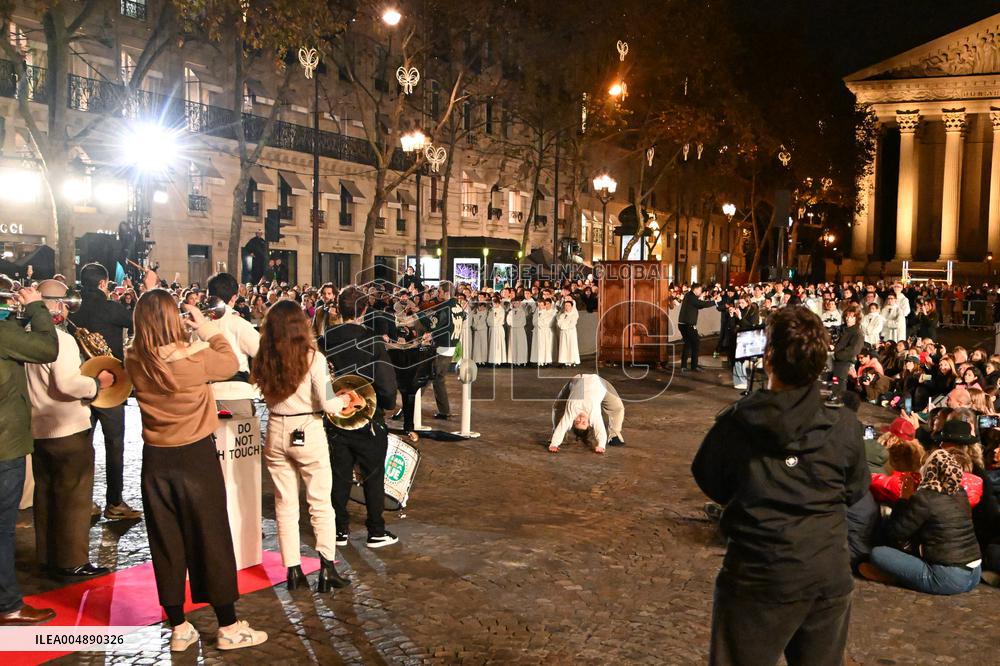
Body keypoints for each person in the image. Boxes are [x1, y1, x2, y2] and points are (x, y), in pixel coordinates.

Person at [692, 306, 868, 666]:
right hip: (825, 569)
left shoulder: (737, 424)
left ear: (768, 359)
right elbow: (855, 488)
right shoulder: (844, 425)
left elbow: (711, 479)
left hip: (760, 572)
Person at [125, 285, 267, 652]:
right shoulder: (192, 359)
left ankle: (179, 626)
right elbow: (230, 361)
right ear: (173, 318)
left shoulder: (134, 359)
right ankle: (229, 625)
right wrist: (203, 327)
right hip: (195, 458)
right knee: (211, 538)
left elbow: (157, 351)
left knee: (166, 543)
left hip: (156, 460)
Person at [253, 301, 353, 592]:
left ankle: (293, 569)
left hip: (275, 428)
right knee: (320, 502)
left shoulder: (264, 356)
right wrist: (344, 400)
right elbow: (328, 403)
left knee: (285, 503)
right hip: (307, 428)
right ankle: (326, 568)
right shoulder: (313, 358)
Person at [25, 280, 114, 581]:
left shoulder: (24, 335)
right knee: (74, 498)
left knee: (46, 494)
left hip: (38, 427)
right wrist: (98, 383)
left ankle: (48, 556)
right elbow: (66, 384)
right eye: (63, 302)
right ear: (56, 304)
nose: (66, 307)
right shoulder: (60, 340)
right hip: (67, 426)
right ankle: (73, 561)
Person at [322, 286, 399, 549]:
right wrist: (388, 403)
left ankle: (338, 529)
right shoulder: (372, 341)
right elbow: (386, 381)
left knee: (338, 474)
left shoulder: (325, 340)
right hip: (367, 416)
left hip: (335, 417)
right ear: (364, 310)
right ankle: (376, 530)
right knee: (373, 474)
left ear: (338, 309)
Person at [0, 284, 58, 626]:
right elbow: (46, 347)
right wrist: (36, 307)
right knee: (3, 528)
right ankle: (8, 604)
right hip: (4, 445)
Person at [70, 263, 141, 520]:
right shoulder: (111, 307)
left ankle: (83, 502)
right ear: (103, 284)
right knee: (114, 445)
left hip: (80, 384)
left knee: (82, 446)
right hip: (110, 384)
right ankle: (114, 502)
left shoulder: (73, 310)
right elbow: (136, 318)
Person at [860, 449, 982, 595]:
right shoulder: (960, 492)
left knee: (878, 553)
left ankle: (896, 577)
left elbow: (895, 532)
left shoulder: (925, 497)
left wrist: (904, 499)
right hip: (974, 574)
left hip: (949, 578)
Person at [205, 273, 260, 416]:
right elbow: (262, 352)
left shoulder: (198, 324)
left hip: (206, 395)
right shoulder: (239, 323)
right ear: (234, 297)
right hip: (236, 394)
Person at [548, 374, 625, 454]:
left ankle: (557, 437)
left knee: (557, 407)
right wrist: (601, 446)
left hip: (577, 379)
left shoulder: (571, 413)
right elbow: (600, 431)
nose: (581, 419)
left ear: (572, 421)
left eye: (577, 422)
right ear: (589, 424)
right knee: (617, 408)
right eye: (583, 422)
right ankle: (615, 436)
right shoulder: (593, 416)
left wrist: (554, 444)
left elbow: (562, 427)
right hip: (599, 382)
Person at [428, 282, 455, 420]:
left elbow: (440, 326)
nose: (438, 294)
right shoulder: (458, 306)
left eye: (439, 292)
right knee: (437, 378)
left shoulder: (445, 307)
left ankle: (444, 411)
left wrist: (430, 334)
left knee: (434, 377)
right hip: (452, 345)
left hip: (442, 345)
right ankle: (444, 410)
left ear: (446, 292)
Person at [677, 283, 717, 372]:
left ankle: (684, 366)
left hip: (683, 324)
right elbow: (700, 304)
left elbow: (698, 305)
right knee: (696, 343)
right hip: (688, 325)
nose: (700, 291)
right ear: (695, 289)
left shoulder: (689, 295)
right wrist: (714, 302)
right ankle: (694, 366)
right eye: (699, 290)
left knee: (687, 344)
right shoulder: (692, 297)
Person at [531, 298, 556, 367]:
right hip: (537, 331)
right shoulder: (536, 313)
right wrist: (538, 322)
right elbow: (533, 322)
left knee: (544, 347)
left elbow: (547, 323)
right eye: (538, 305)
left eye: (541, 305)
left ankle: (544, 361)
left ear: (544, 306)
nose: (540, 307)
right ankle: (537, 361)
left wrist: (538, 322)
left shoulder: (548, 313)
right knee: (537, 346)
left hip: (544, 332)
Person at [556, 299, 580, 367]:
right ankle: (564, 361)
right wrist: (563, 326)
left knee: (571, 346)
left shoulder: (574, 315)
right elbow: (559, 323)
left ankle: (572, 360)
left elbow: (572, 324)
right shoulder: (562, 315)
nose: (567, 307)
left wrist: (564, 326)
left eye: (568, 305)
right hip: (563, 333)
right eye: (565, 305)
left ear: (572, 307)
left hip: (570, 333)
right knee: (563, 347)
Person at [507, 299, 528, 366]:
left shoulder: (522, 312)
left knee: (520, 345)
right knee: (513, 344)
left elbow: (523, 322)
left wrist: (514, 324)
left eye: (517, 303)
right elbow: (508, 320)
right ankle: (513, 360)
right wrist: (512, 324)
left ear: (519, 303)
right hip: (513, 330)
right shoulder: (510, 312)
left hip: (520, 330)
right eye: (514, 303)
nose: (515, 304)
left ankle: (521, 361)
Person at [487, 296, 508, 366]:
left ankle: (498, 361)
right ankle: (492, 360)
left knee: (498, 345)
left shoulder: (501, 310)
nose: (494, 305)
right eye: (493, 303)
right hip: (492, 329)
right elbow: (488, 320)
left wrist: (494, 322)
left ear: (499, 303)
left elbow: (500, 320)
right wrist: (492, 323)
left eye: (496, 303)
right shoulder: (491, 310)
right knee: (492, 345)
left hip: (498, 329)